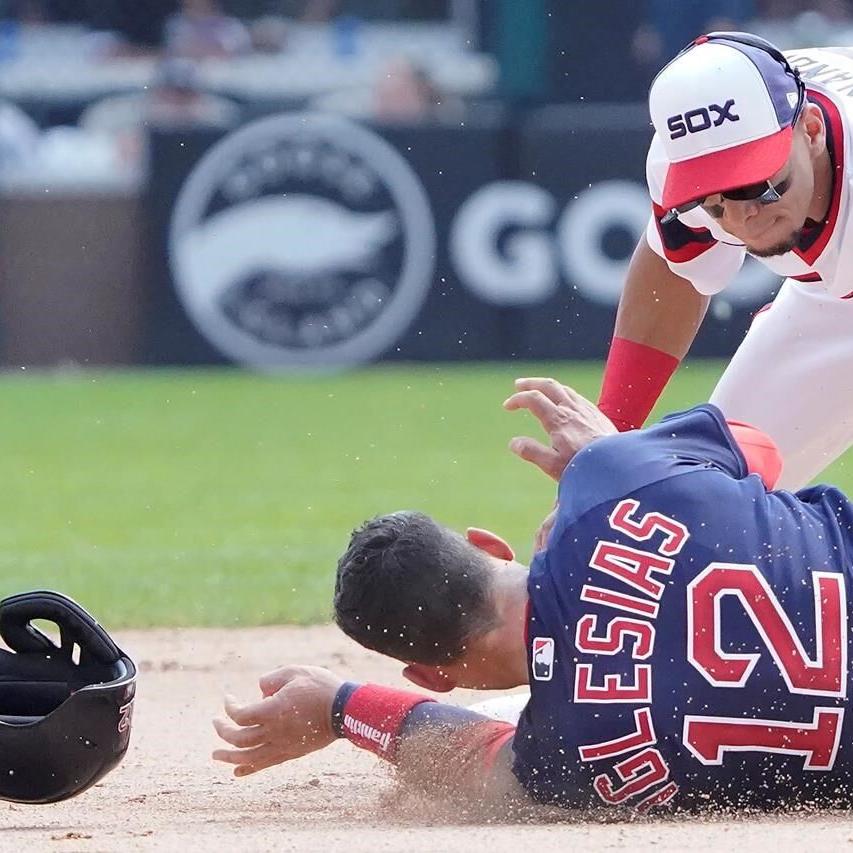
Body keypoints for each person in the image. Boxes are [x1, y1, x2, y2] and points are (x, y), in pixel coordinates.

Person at [213, 376, 853, 814]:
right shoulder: (613, 479)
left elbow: (477, 763)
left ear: (433, 677)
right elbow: (765, 452)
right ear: (490, 546)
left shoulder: (563, 752)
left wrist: (342, 707)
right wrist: (618, 461)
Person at [598, 32, 853, 491]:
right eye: (713, 199)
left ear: (810, 131)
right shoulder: (677, 164)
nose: (740, 217)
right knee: (708, 501)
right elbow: (676, 274)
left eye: (755, 184)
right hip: (829, 302)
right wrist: (606, 443)